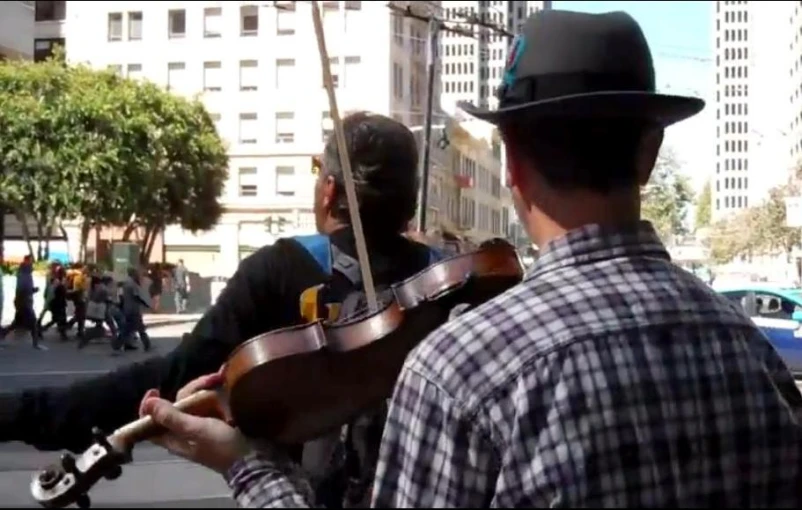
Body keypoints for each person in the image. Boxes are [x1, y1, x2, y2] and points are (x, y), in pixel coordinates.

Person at [139, 10, 802, 508]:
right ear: (649, 154)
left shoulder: (462, 371)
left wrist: (248, 467)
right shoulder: (750, 352)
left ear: (510, 163)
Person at [0, 112, 440, 504]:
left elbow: (171, 379)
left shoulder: (280, 269)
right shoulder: (446, 280)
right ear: (408, 202)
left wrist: (21, 413)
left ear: (329, 191)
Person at [0, 255, 44, 350]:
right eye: (31, 262)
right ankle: (36, 345)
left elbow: (24, 289)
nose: (32, 264)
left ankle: (2, 333)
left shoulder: (25, 274)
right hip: (25, 303)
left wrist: (32, 290)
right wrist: (32, 290)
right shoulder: (24, 274)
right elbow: (22, 289)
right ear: (26, 262)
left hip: (23, 302)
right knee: (33, 323)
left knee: (16, 324)